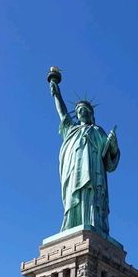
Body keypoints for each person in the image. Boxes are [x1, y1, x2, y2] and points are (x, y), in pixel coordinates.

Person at [50, 78, 120, 236]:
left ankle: (93, 223)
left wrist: (114, 147)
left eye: (85, 109)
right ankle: (72, 223)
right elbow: (62, 113)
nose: (81, 111)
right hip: (74, 172)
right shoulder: (71, 130)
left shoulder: (97, 131)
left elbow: (109, 161)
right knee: (72, 197)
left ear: (90, 114)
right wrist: (56, 93)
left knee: (92, 196)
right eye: (79, 109)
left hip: (94, 173)